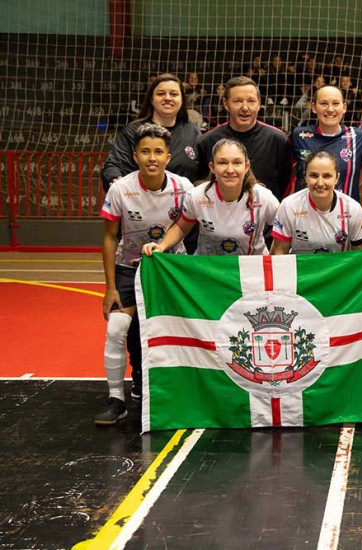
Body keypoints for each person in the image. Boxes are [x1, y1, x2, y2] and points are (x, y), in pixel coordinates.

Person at [101, 73, 201, 401]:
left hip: (174, 267)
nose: (152, 158)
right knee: (120, 330)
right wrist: (110, 288)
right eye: (145, 152)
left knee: (182, 328)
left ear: (168, 156)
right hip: (130, 266)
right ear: (136, 155)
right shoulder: (121, 187)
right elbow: (109, 237)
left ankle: (184, 385)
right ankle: (119, 396)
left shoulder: (184, 183)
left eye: (159, 152)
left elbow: (188, 222)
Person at [143, 138, 279, 257]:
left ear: (246, 167)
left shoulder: (264, 197)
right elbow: (180, 228)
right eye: (222, 163)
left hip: (250, 269)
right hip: (207, 269)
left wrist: (274, 259)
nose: (230, 170)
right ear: (212, 167)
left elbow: (283, 230)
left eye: (237, 162)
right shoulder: (197, 196)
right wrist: (161, 246)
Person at [197, 76, 292, 200]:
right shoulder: (207, 141)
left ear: (259, 104)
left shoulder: (279, 140)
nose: (245, 107)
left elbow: (287, 185)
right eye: (238, 101)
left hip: (265, 215)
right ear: (226, 104)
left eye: (251, 101)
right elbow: (203, 183)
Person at [103, 73, 201, 190]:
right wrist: (116, 181)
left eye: (174, 94)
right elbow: (114, 165)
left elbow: (207, 172)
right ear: (151, 99)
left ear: (182, 100)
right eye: (161, 94)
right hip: (140, 204)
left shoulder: (193, 132)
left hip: (182, 205)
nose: (168, 98)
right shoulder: (133, 131)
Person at [271, 150, 362, 254]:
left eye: (327, 176)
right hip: (302, 269)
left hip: (339, 269)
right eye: (314, 175)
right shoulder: (289, 206)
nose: (320, 183)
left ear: (337, 178)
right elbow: (279, 253)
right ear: (305, 177)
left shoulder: (352, 209)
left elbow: (360, 257)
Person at [291, 85, 362, 203]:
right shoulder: (299, 136)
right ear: (313, 107)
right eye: (323, 103)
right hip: (305, 213)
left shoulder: (358, 136)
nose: (330, 109)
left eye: (336, 103)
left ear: (344, 107)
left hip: (345, 214)